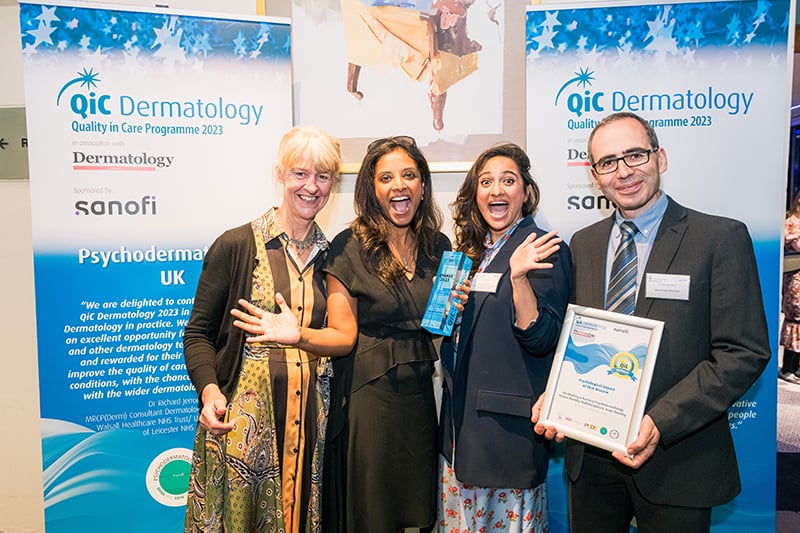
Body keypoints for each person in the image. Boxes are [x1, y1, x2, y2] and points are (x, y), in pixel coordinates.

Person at [531, 111, 770, 533]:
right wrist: (558, 395)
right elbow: (578, 338)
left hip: (678, 457)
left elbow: (743, 352)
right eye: (608, 162)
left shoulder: (719, 238)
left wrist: (661, 421)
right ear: (595, 177)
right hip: (592, 458)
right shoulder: (584, 244)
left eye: (635, 155)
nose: (623, 171)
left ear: (660, 157)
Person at [231, 135, 464, 532]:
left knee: (415, 509)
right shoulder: (349, 246)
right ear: (372, 190)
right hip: (368, 398)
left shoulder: (438, 246)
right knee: (373, 512)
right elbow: (343, 336)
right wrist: (300, 335)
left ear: (423, 185)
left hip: (420, 399)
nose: (399, 185)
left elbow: (438, 324)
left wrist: (458, 308)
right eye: (386, 177)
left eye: (409, 175)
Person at [182, 125, 342, 533]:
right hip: (243, 431)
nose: (311, 187)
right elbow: (198, 333)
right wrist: (210, 391)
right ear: (280, 174)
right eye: (300, 174)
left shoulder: (336, 258)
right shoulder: (236, 246)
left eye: (322, 176)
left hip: (311, 432)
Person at [437, 143, 572, 532]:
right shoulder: (470, 253)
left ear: (526, 193)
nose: (496, 190)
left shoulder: (543, 248)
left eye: (508, 180)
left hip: (506, 436)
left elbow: (543, 339)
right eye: (486, 181)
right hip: (459, 434)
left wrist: (518, 279)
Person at [780, 191, 800, 383]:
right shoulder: (791, 222)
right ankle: (787, 367)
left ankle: (797, 367)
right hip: (795, 276)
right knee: (795, 318)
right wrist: (793, 237)